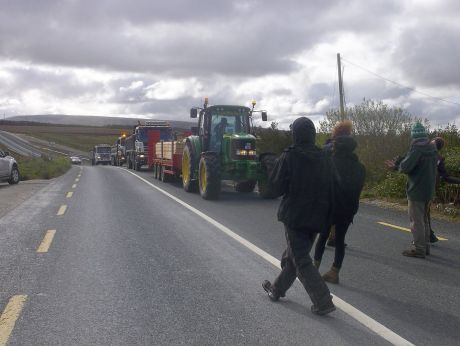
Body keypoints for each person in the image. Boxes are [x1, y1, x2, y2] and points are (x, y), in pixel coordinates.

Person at [262, 117, 336, 316]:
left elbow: (275, 188)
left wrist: (271, 170)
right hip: (317, 217)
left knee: (300, 259)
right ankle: (276, 290)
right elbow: (333, 186)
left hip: (295, 216)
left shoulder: (289, 156)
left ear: (295, 134)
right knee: (295, 256)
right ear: (312, 134)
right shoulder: (324, 157)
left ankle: (323, 301)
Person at [314, 121, 365, 284]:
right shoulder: (360, 167)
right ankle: (334, 272)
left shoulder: (330, 162)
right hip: (349, 208)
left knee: (322, 236)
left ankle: (314, 269)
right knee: (340, 240)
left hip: (330, 206)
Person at [384, 122, 437, 258]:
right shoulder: (432, 148)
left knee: (416, 221)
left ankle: (419, 249)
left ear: (414, 136)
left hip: (417, 189)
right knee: (424, 220)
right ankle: (425, 247)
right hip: (429, 189)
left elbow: (406, 167)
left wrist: (396, 165)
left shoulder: (416, 149)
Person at [429, 137, 460, 242]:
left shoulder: (426, 155)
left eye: (431, 141)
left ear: (434, 145)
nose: (429, 142)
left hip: (423, 188)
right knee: (424, 213)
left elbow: (444, 176)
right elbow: (445, 176)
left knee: (420, 214)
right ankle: (429, 235)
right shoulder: (438, 158)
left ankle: (423, 239)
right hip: (429, 189)